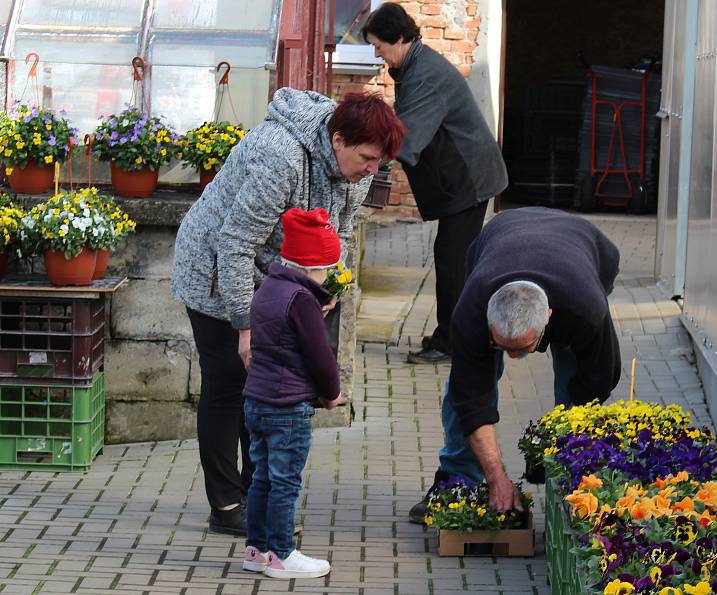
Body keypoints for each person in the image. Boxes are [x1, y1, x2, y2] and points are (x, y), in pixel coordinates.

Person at [171, 89, 405, 536]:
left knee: (263, 386)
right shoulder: (280, 155)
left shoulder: (354, 173)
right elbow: (235, 243)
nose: (373, 171)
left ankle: (254, 495)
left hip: (275, 276)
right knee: (228, 386)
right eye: (368, 158)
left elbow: (340, 234)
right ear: (338, 139)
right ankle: (225, 506)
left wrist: (332, 285)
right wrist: (244, 325)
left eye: (380, 162)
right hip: (215, 269)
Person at [407, 207, 622, 523]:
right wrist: (497, 476)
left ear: (548, 318)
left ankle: (568, 484)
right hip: (498, 237)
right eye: (500, 345)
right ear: (487, 319)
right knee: (465, 388)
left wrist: (558, 443)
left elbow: (598, 381)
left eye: (520, 348)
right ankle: (457, 481)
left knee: (573, 386)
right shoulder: (471, 309)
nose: (510, 357)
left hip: (584, 247)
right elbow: (471, 399)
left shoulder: (586, 309)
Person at [362, 3, 508, 365]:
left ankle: (453, 343)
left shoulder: (425, 76)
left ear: (399, 39)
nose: (378, 54)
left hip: (470, 178)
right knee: (455, 258)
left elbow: (406, 137)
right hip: (465, 176)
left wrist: (364, 162)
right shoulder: (416, 65)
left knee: (453, 259)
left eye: (379, 46)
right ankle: (458, 335)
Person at [241, 208, 341, 579]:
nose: (328, 274)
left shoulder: (270, 287)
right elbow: (320, 355)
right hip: (288, 407)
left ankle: (256, 550)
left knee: (262, 478)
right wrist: (332, 393)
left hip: (257, 401)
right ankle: (282, 553)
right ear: (315, 265)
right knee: (285, 481)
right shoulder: (301, 299)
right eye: (327, 266)